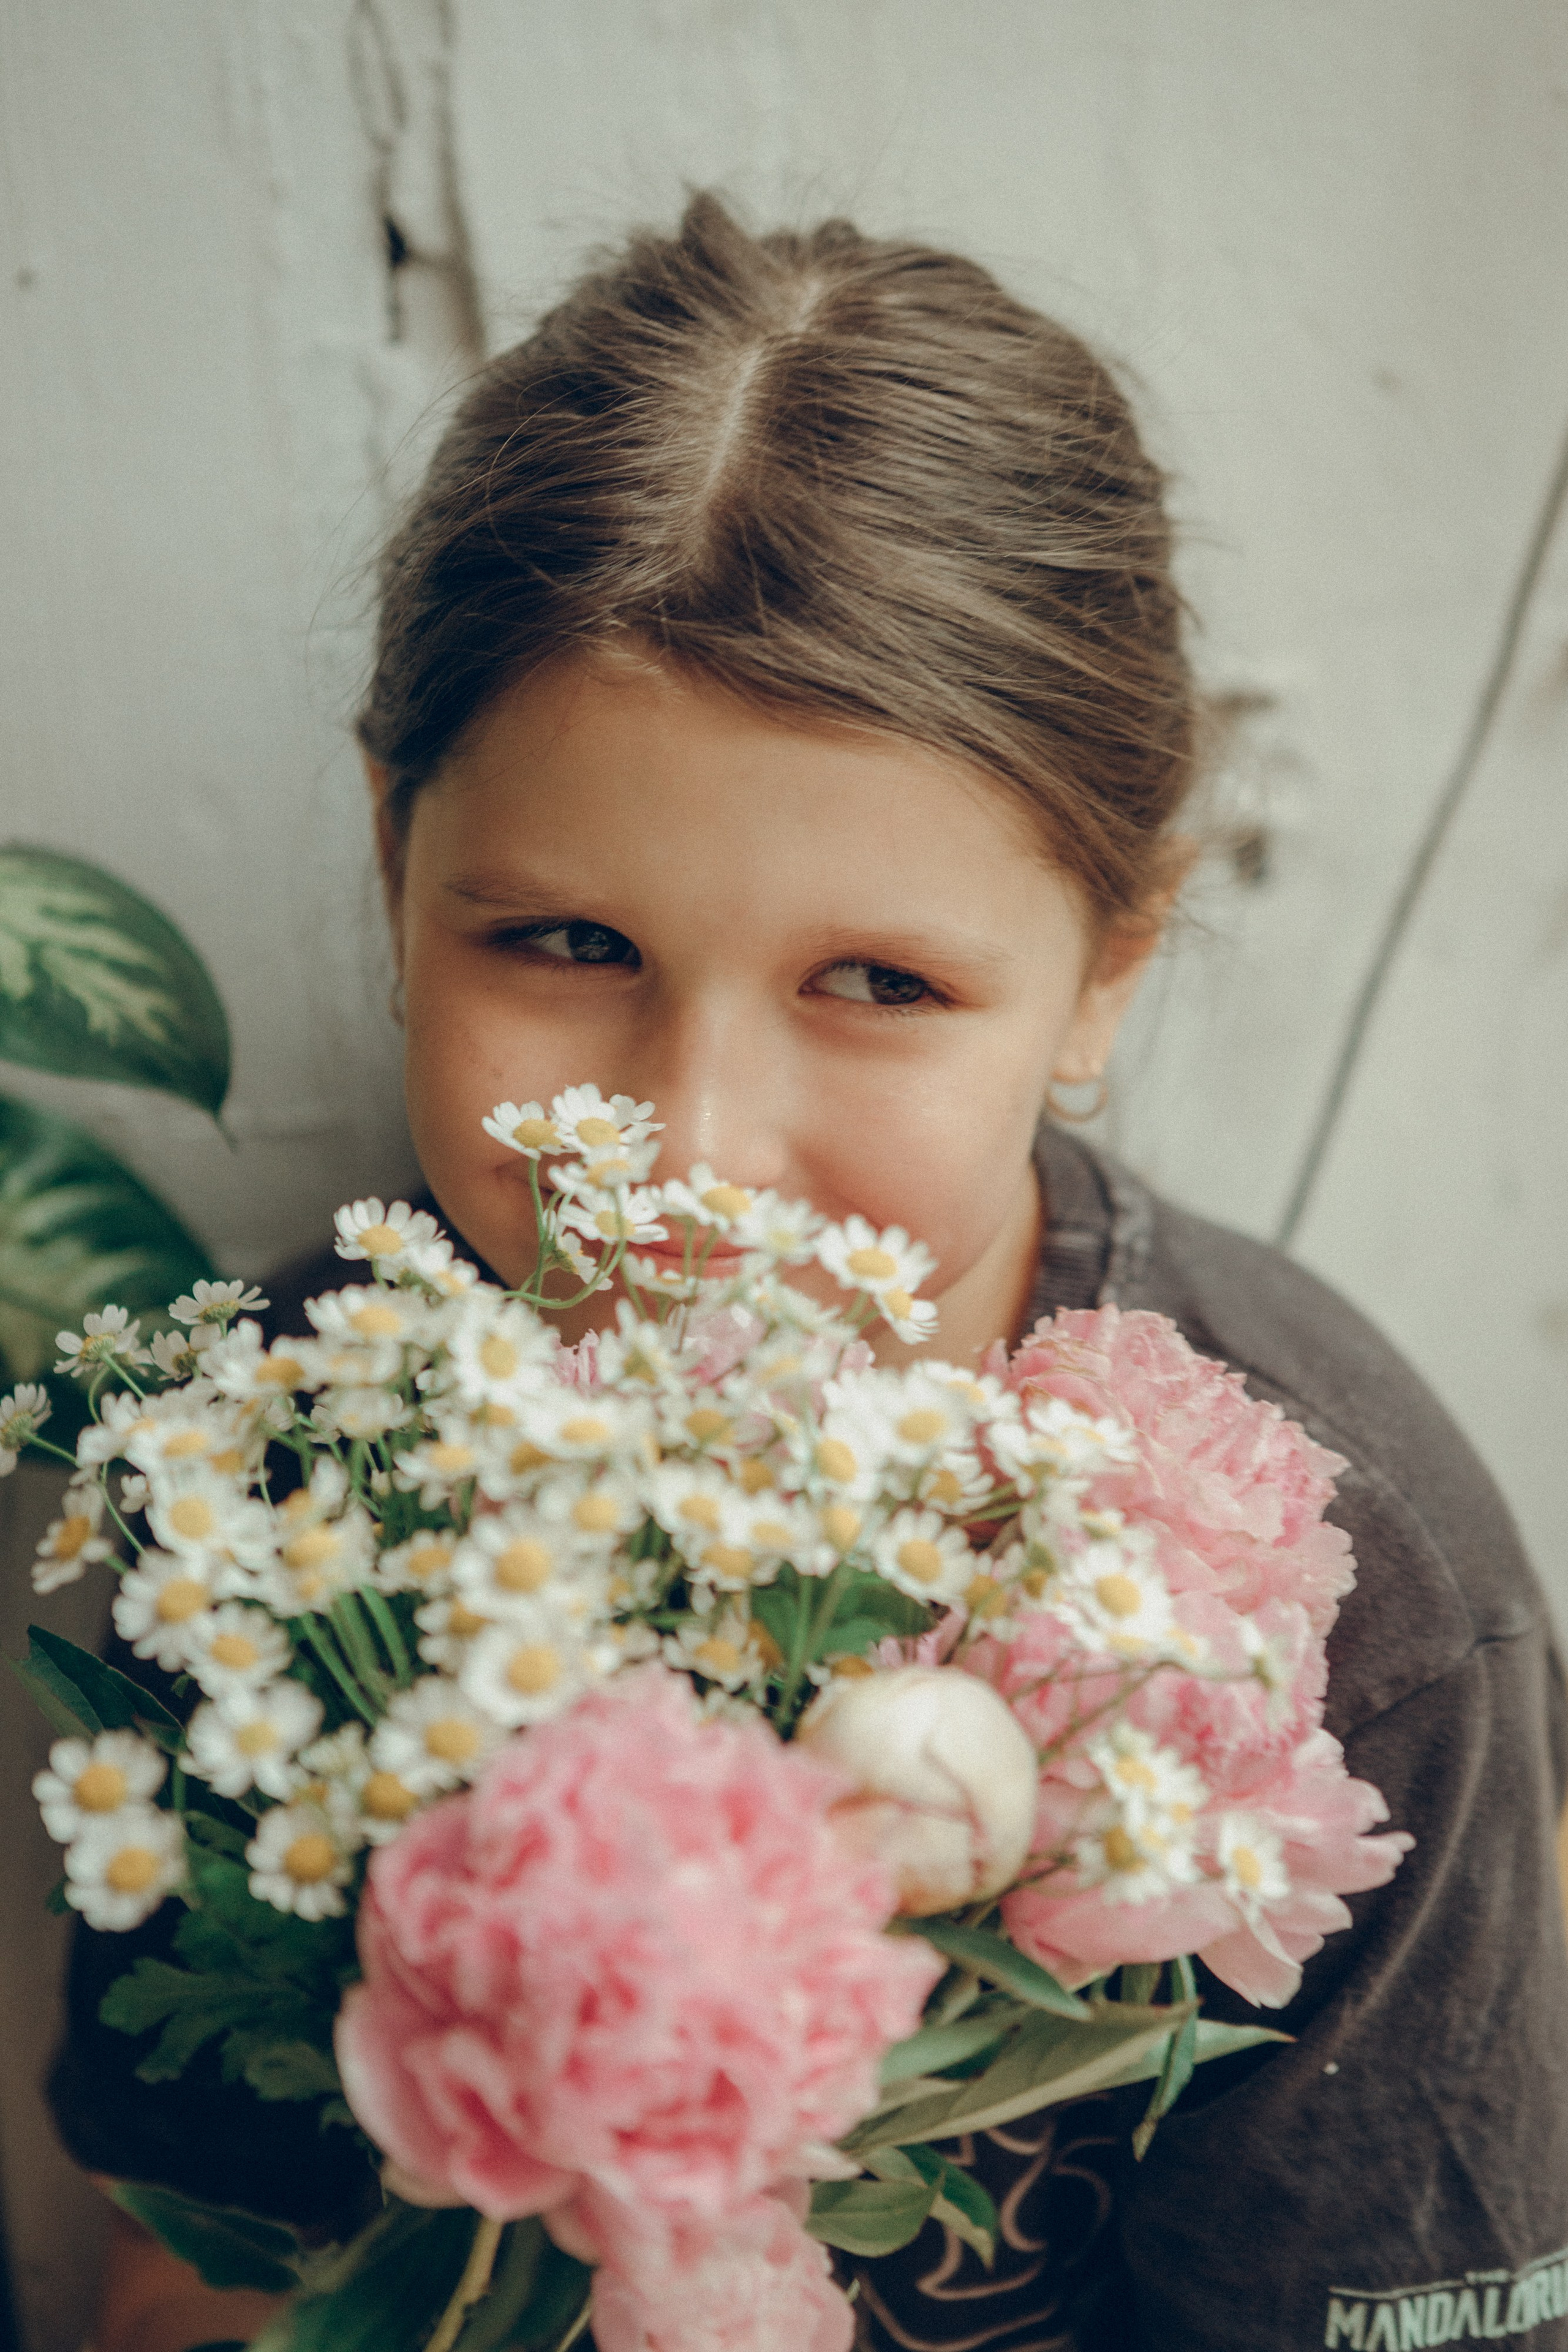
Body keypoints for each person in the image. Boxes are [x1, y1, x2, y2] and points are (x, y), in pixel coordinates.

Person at [53, 195, 1568, 2352]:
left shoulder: (1361, 1611)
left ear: (1104, 972)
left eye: (878, 980)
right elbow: (185, 2273)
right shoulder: (262, 1491)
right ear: (396, 863)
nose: (684, 1159)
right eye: (567, 945)